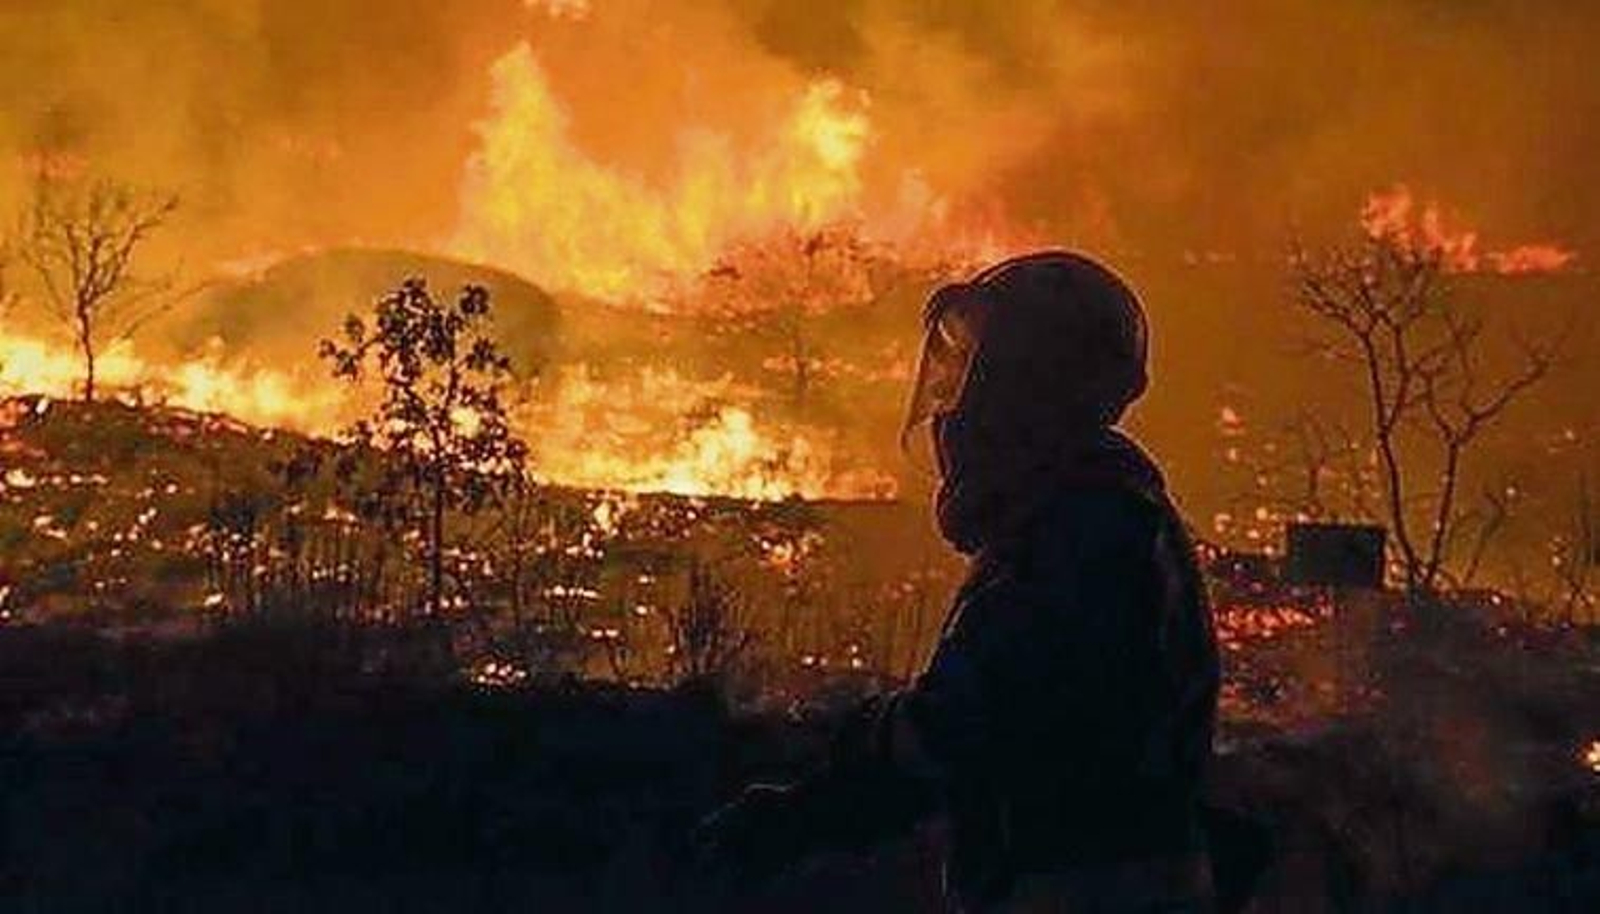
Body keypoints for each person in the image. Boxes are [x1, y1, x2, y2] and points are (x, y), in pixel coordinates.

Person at [694, 251, 1224, 913]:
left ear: (1031, 394)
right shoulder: (1099, 517)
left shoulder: (1083, 535)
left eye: (979, 381)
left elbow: (959, 728)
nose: (951, 416)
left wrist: (816, 795)